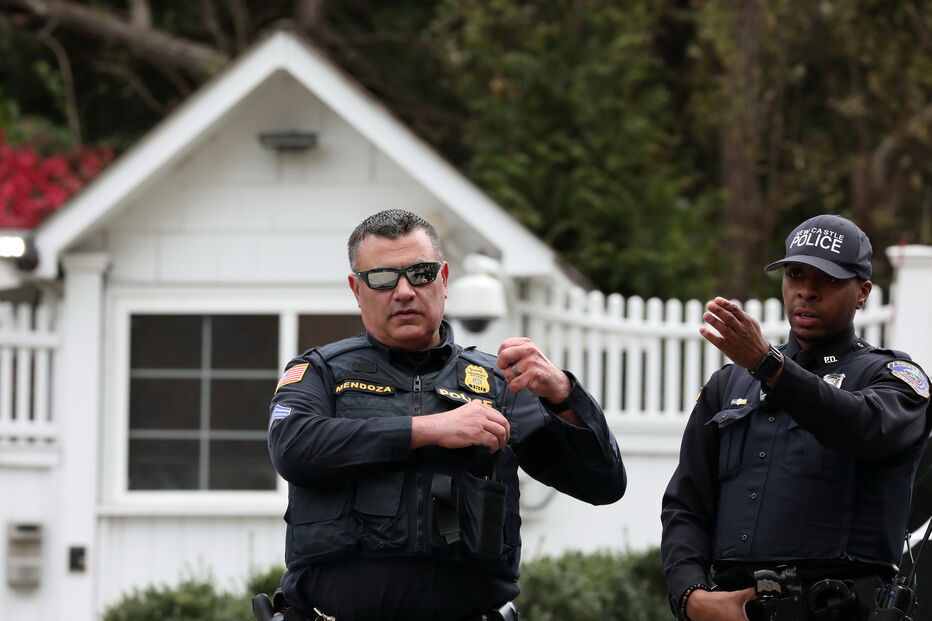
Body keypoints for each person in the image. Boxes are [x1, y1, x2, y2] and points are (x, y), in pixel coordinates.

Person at [267, 209, 626, 621]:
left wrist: (565, 395)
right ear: (356, 289)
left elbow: (603, 484)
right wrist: (429, 429)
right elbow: (292, 447)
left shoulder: (500, 384)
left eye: (420, 274)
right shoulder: (321, 372)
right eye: (383, 278)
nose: (404, 291)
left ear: (444, 279)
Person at [661, 214, 931, 621]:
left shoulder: (893, 377)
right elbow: (686, 504)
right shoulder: (728, 383)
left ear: (862, 293)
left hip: (840, 608)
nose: (807, 291)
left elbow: (862, 426)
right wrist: (691, 597)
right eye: (795, 274)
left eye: (828, 279)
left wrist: (769, 367)